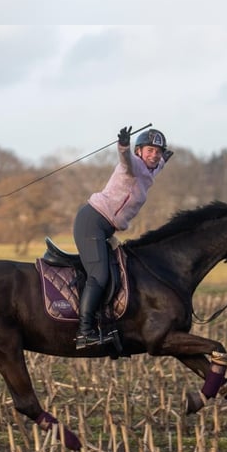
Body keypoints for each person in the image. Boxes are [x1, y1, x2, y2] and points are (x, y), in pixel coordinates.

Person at [73, 125, 174, 349]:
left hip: (105, 228)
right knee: (98, 275)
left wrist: (164, 158)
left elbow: (156, 168)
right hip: (93, 222)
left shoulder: (150, 171)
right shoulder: (134, 165)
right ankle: (84, 333)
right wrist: (124, 145)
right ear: (139, 151)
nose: (154, 155)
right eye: (150, 150)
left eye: (158, 151)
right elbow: (126, 159)